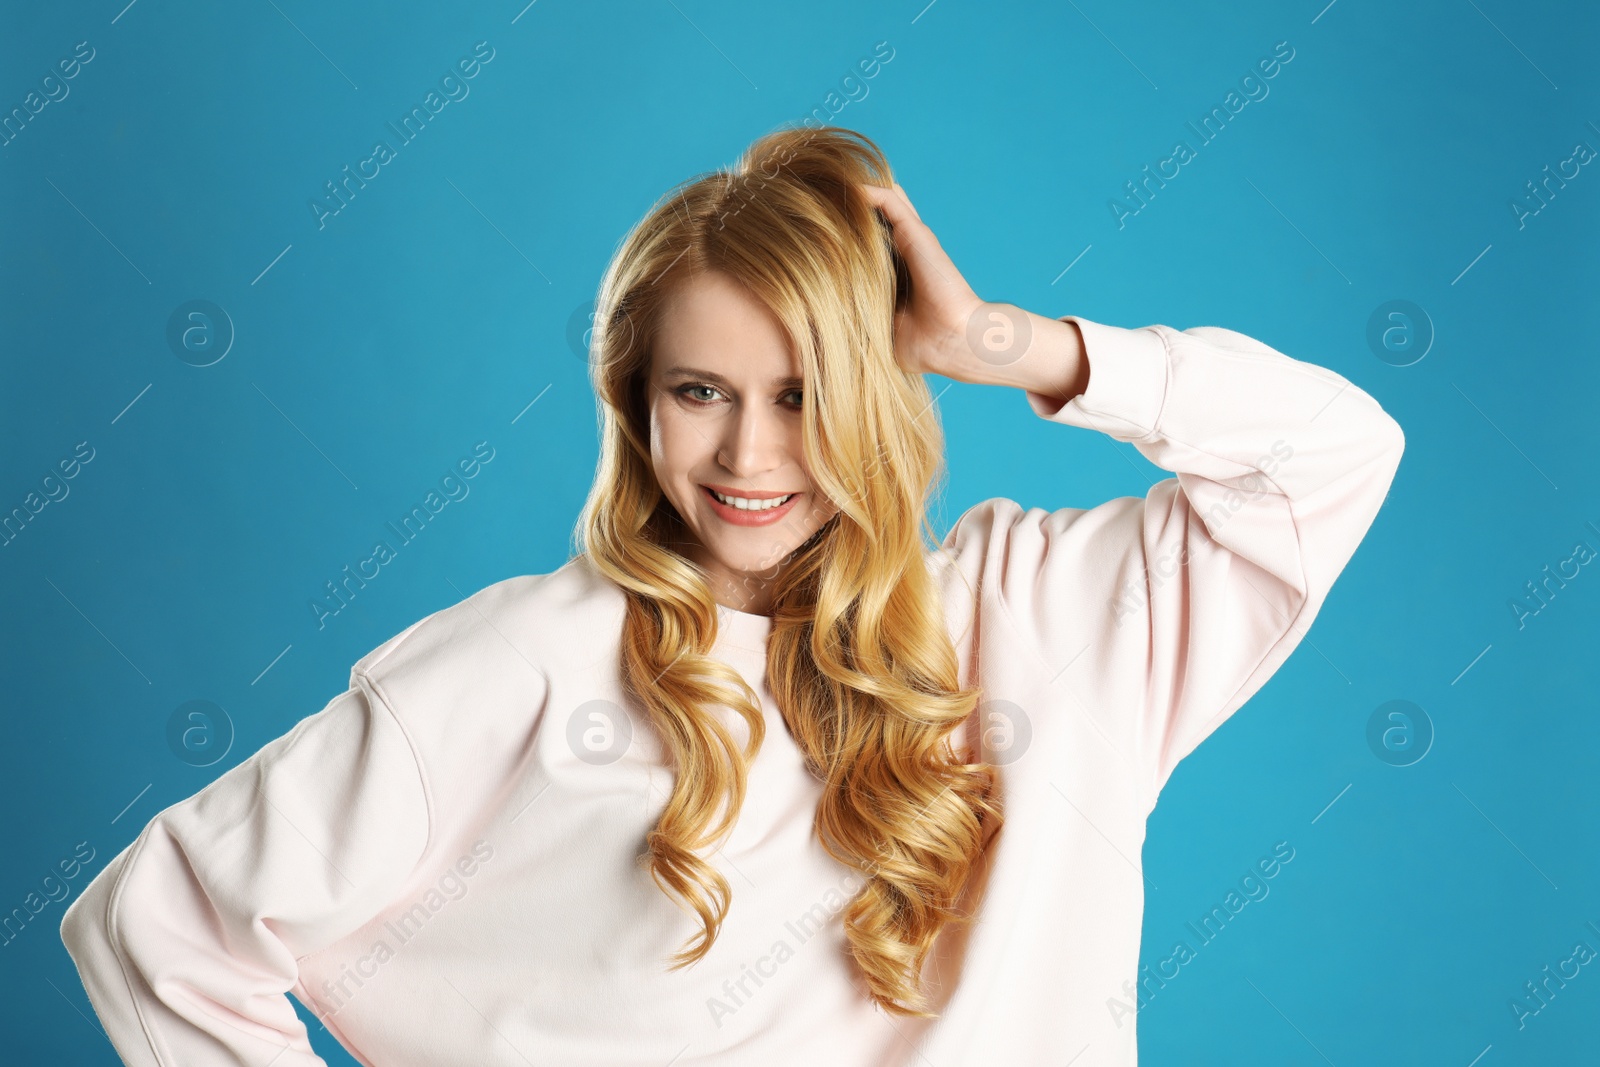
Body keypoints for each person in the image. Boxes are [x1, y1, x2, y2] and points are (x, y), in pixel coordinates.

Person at [60, 125, 1405, 1066]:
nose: (752, 457)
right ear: (635, 406)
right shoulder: (535, 657)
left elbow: (1337, 452)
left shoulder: (1047, 615)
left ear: (882, 396)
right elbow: (156, 925)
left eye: (804, 396)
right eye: (700, 393)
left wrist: (1006, 343)